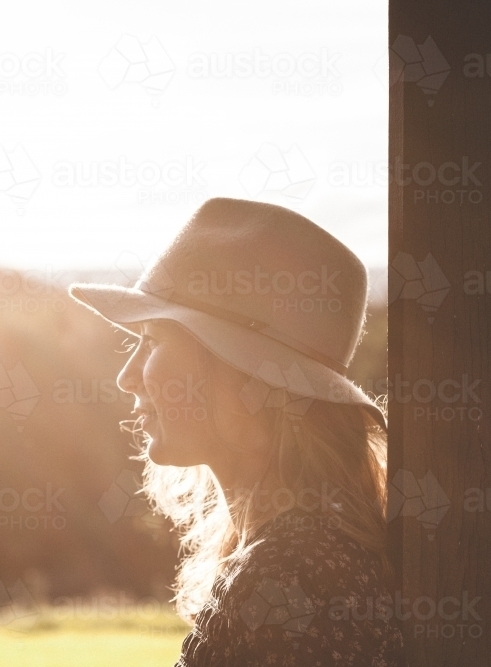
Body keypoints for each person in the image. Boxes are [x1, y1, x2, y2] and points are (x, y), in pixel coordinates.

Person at [69, 198, 408, 666]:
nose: (127, 376)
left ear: (243, 374)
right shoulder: (295, 554)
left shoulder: (295, 572)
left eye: (153, 342)